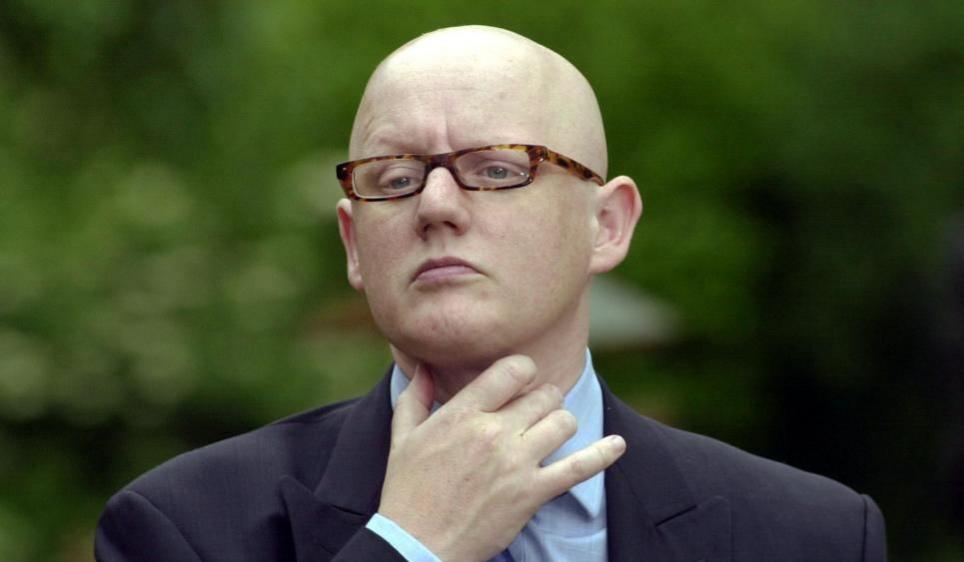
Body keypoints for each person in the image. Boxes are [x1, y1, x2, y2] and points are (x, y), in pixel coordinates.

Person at [96, 26, 887, 562]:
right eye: (395, 178)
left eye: (500, 169)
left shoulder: (806, 533)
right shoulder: (185, 529)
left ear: (607, 225)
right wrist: (409, 546)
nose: (436, 205)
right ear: (353, 245)